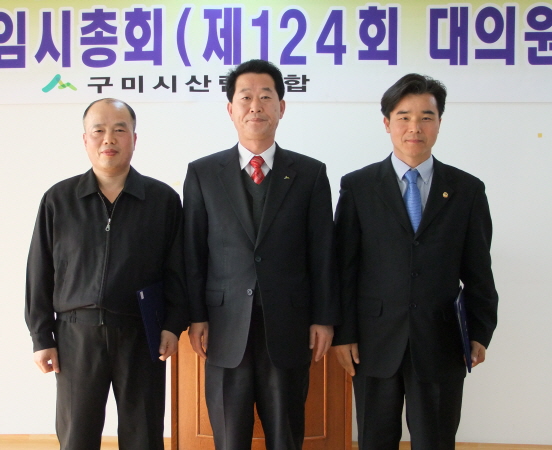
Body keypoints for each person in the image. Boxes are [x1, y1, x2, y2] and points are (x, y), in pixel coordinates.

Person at [332, 74, 498, 450]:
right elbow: (344, 269)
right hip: (373, 342)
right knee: (375, 440)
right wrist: (344, 333)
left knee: (435, 440)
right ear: (387, 122)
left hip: (441, 341)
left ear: (439, 122)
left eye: (426, 117)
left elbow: (478, 270)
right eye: (404, 117)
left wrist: (479, 330)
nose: (414, 127)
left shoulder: (467, 190)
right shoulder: (358, 187)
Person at [183, 59, 339, 450]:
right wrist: (197, 316)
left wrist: (323, 317)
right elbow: (193, 252)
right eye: (246, 97)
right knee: (229, 438)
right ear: (230, 109)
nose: (256, 106)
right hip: (223, 327)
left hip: (289, 326)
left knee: (286, 437)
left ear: (281, 107)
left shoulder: (310, 174)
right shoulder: (203, 173)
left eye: (266, 97)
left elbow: (323, 253)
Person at [25, 98, 188, 450]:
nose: (108, 139)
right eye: (98, 130)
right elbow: (39, 272)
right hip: (75, 336)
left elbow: (178, 270)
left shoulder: (162, 200)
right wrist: (41, 336)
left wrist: (173, 325)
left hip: (142, 334)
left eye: (119, 130)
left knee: (144, 436)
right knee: (77, 437)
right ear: (85, 139)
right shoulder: (59, 199)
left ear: (134, 138)